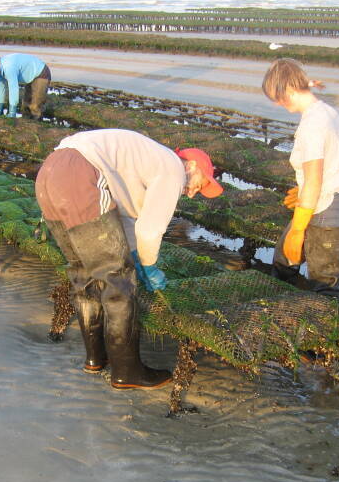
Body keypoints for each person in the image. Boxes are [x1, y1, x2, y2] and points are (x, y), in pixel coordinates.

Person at [35, 129, 222, 389]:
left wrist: (134, 253)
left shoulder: (145, 160)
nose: (192, 193)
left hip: (50, 172)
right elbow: (150, 229)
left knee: (83, 272)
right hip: (81, 173)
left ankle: (95, 358)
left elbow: (122, 221)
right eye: (201, 184)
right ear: (190, 164)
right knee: (119, 282)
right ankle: (127, 372)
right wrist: (148, 266)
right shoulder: (173, 169)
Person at [261, 58, 339, 301]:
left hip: (327, 207)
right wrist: (301, 191)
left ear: (290, 90)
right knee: (284, 258)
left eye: (277, 97)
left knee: (326, 278)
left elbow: (314, 179)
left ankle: (333, 331)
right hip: (318, 199)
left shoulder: (313, 124)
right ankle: (279, 306)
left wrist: (299, 228)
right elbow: (329, 164)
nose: (277, 103)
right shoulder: (326, 112)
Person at [0, 52, 51, 120]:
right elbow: (0, 88)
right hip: (30, 75)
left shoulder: (9, 67)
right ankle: (25, 123)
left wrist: (12, 111)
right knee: (26, 103)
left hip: (41, 73)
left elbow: (13, 88)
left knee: (35, 105)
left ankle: (37, 125)